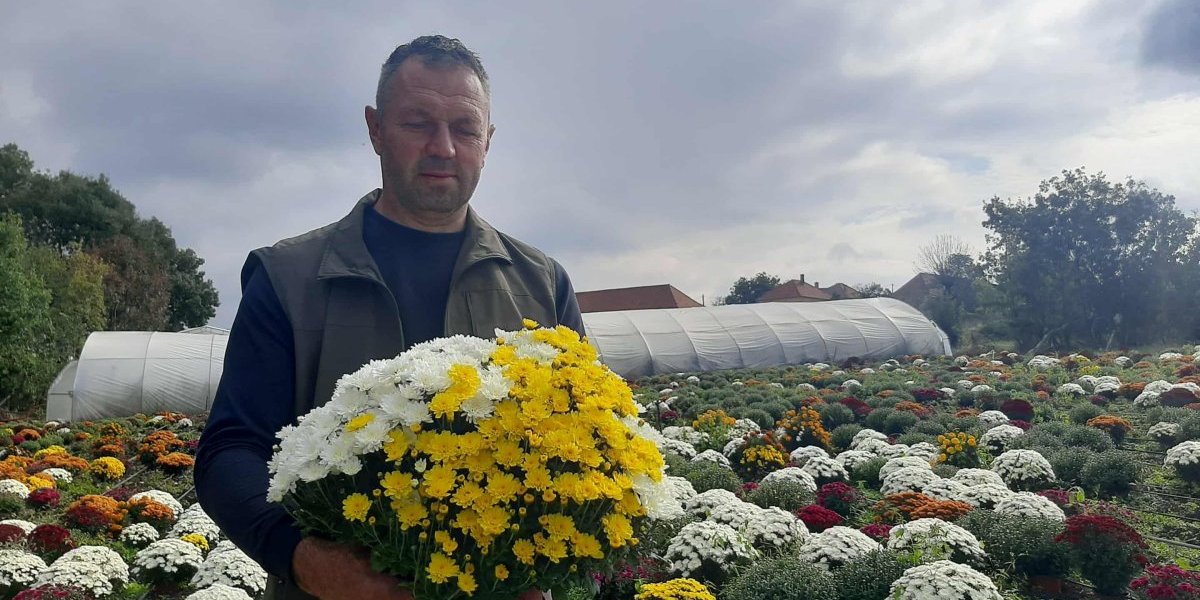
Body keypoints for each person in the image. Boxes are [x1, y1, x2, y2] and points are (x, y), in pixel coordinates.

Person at [195, 35, 584, 600]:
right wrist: (303, 558)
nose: (443, 148)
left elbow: (588, 440)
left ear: (488, 141)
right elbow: (231, 450)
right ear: (375, 129)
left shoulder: (542, 283)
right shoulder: (288, 277)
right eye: (417, 123)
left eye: (465, 128)